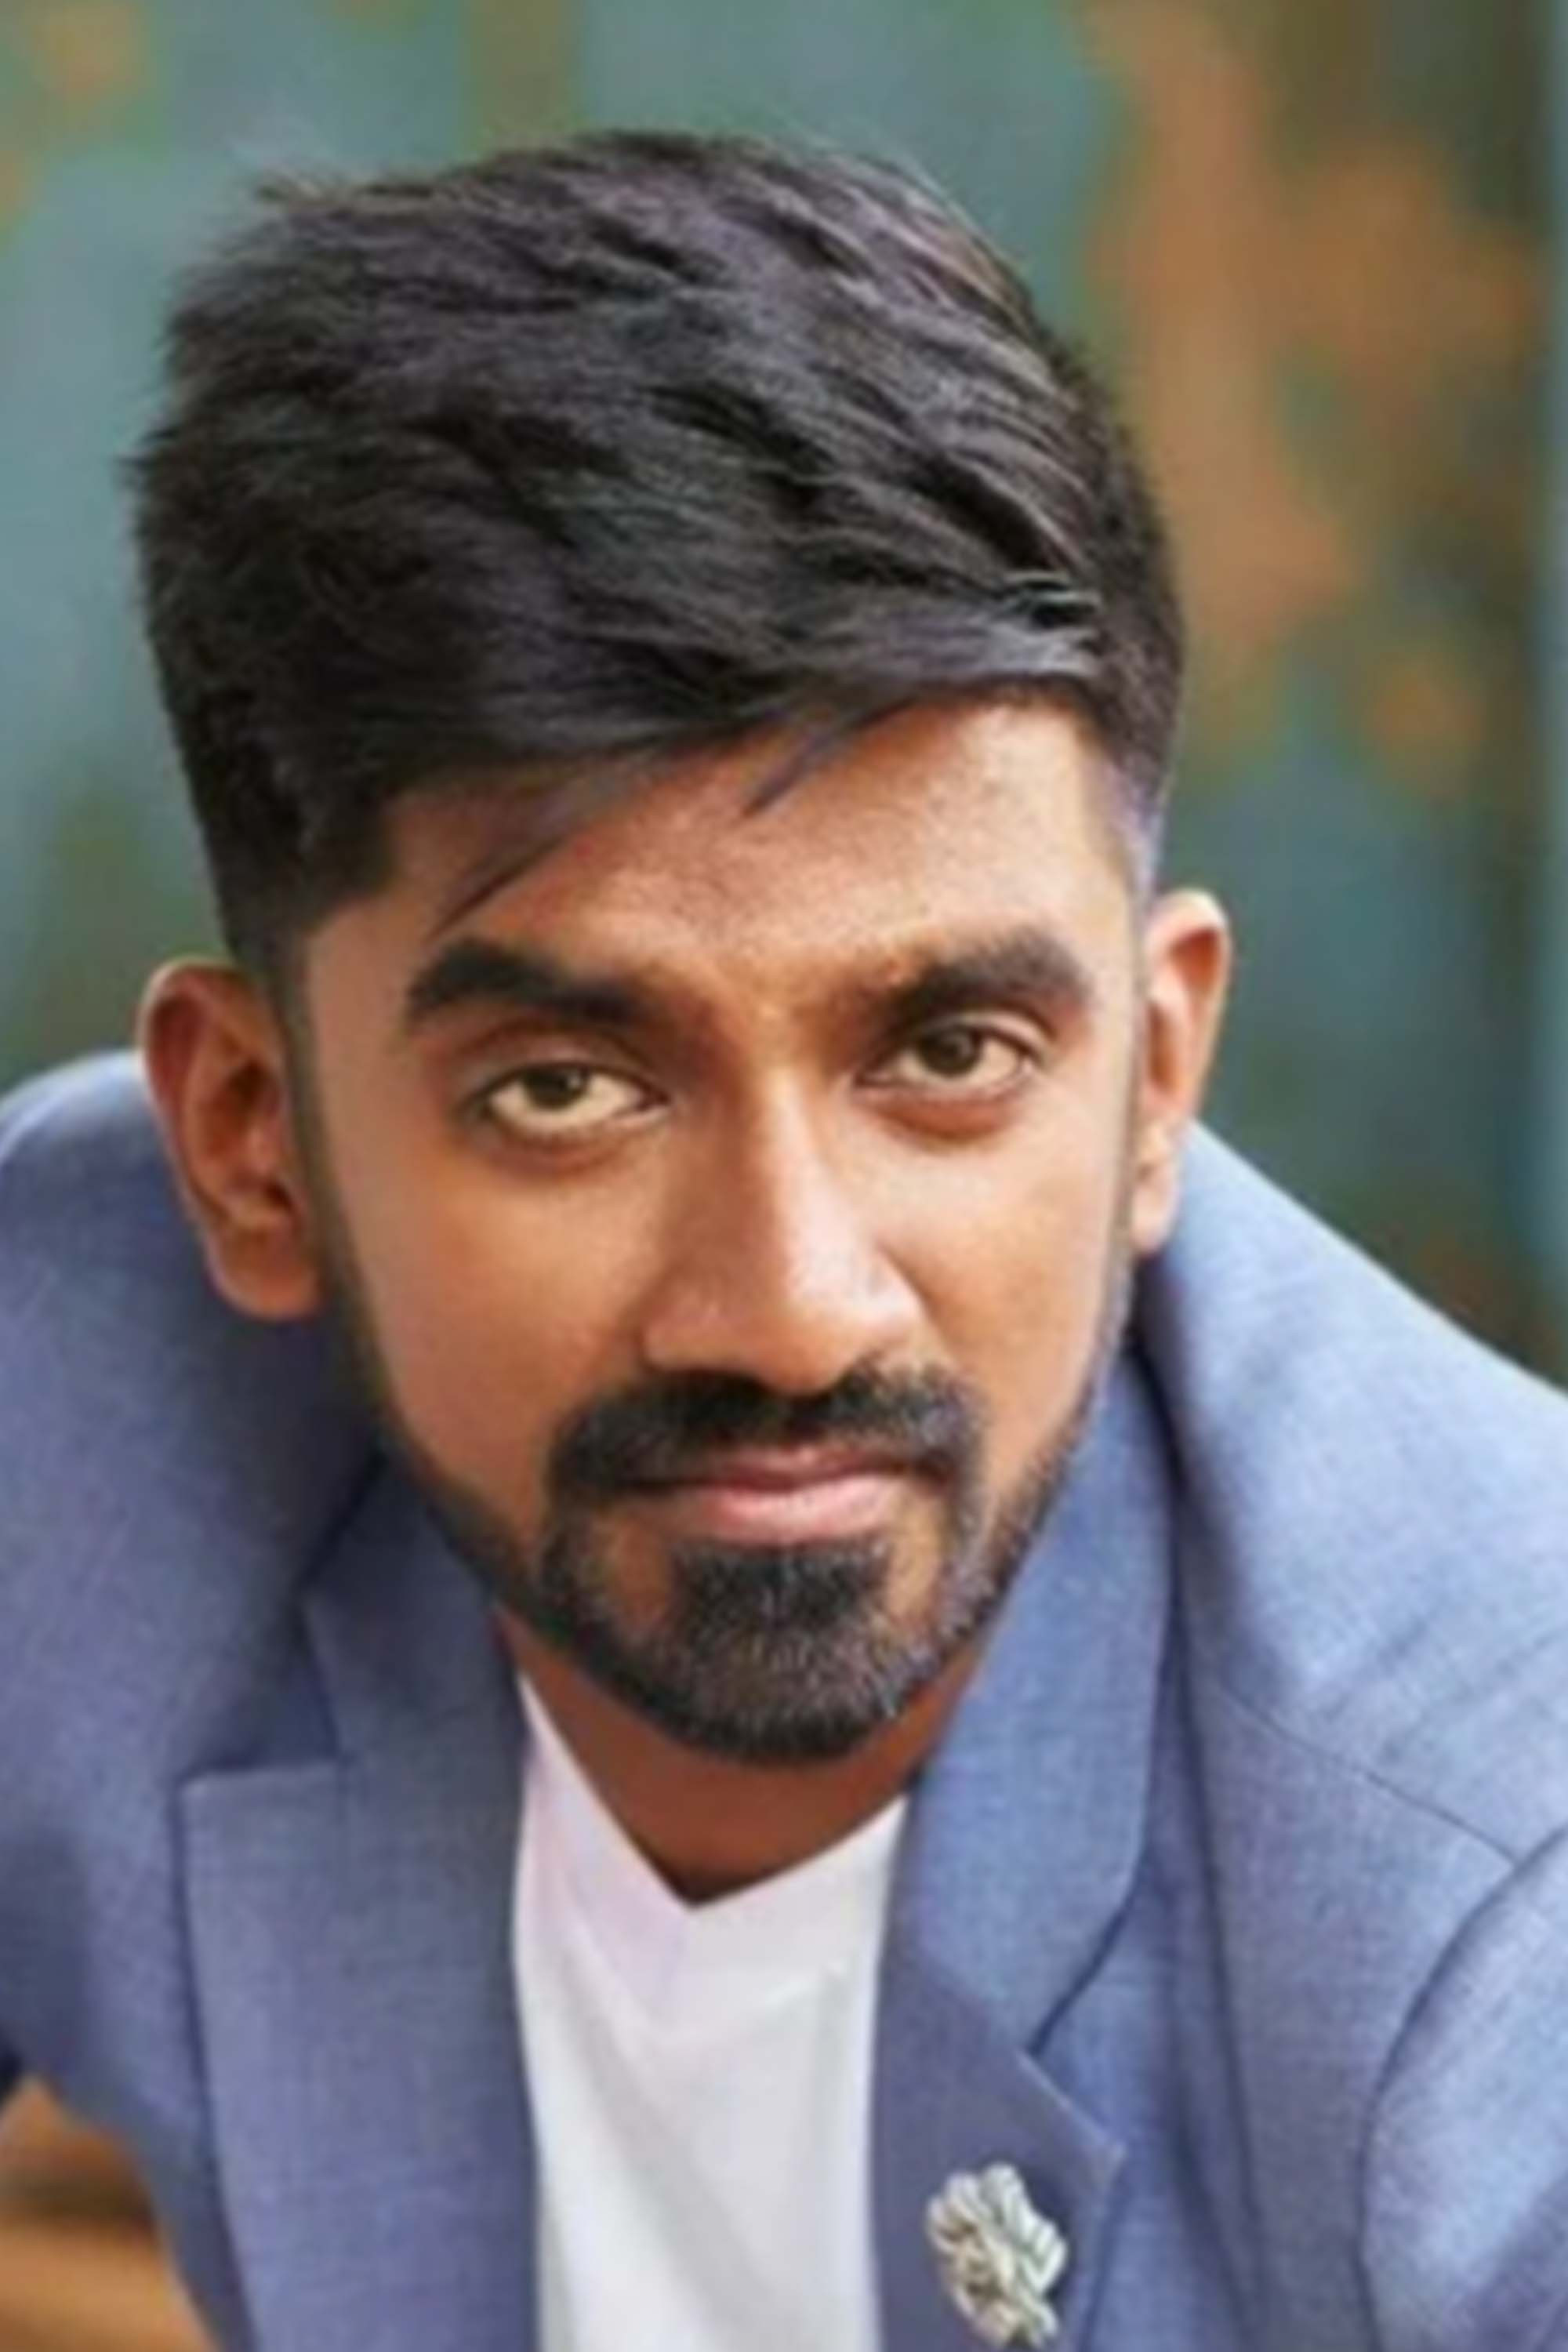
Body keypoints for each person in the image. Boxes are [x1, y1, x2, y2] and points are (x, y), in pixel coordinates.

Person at [2, 130, 1567, 2352]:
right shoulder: (64, 1427)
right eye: (568, 1089)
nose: (794, 1307)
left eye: (950, 1052)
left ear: (1155, 1080)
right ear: (256, 1148)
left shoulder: (1499, 1885)